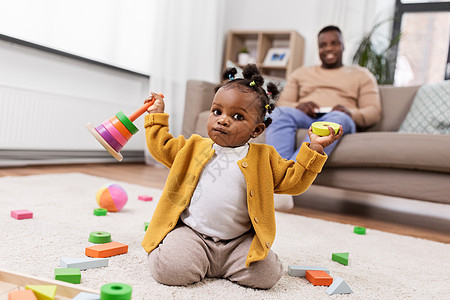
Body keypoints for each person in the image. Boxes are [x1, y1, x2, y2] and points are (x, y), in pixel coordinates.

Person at [141, 64, 343, 289]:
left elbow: (294, 181)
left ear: (256, 130)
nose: (223, 120)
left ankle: (219, 265)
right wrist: (157, 116)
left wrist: (314, 149)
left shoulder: (265, 158)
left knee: (267, 276)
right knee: (170, 270)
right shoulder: (193, 147)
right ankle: (193, 257)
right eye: (217, 111)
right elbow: (161, 146)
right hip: (193, 235)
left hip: (238, 243)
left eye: (237, 116)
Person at [266, 25, 381, 209]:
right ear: (318, 48)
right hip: (306, 116)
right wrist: (299, 106)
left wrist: (349, 112)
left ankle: (286, 187)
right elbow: (283, 104)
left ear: (343, 46)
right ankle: (276, 181)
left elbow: (373, 111)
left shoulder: (362, 75)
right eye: (323, 45)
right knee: (279, 113)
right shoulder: (301, 73)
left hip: (340, 118)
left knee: (335, 118)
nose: (328, 48)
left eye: (334, 43)